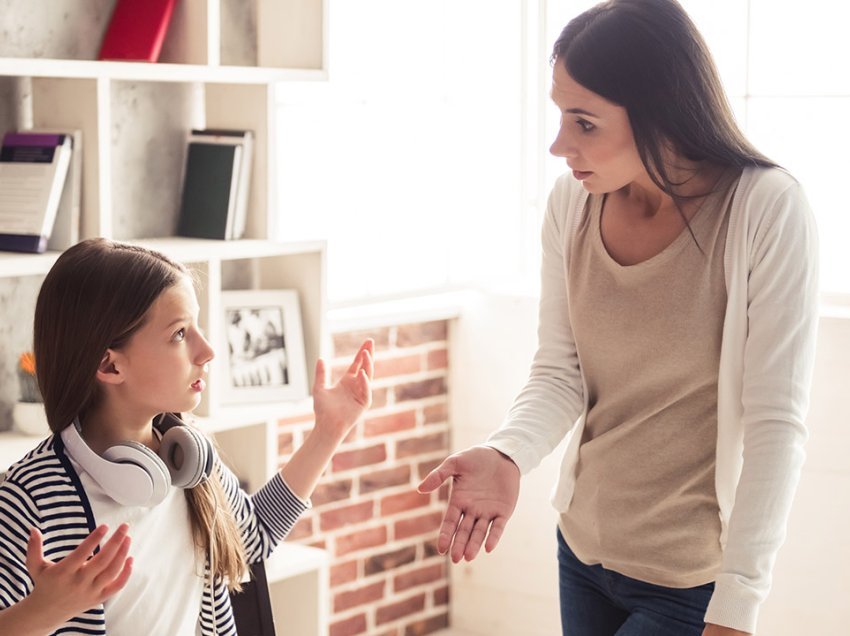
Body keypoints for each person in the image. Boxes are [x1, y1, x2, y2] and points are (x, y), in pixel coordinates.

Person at [418, 1, 819, 635]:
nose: (559, 145)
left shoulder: (765, 210)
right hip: (582, 551)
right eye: (559, 116)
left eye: (584, 122)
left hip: (690, 582)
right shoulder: (571, 205)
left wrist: (739, 604)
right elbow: (561, 369)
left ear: (661, 110)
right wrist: (509, 452)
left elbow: (777, 423)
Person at [0, 238, 374, 635]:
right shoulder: (29, 501)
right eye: (180, 334)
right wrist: (42, 611)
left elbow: (252, 538)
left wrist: (329, 431)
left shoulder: (188, 460)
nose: (208, 350)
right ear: (110, 365)